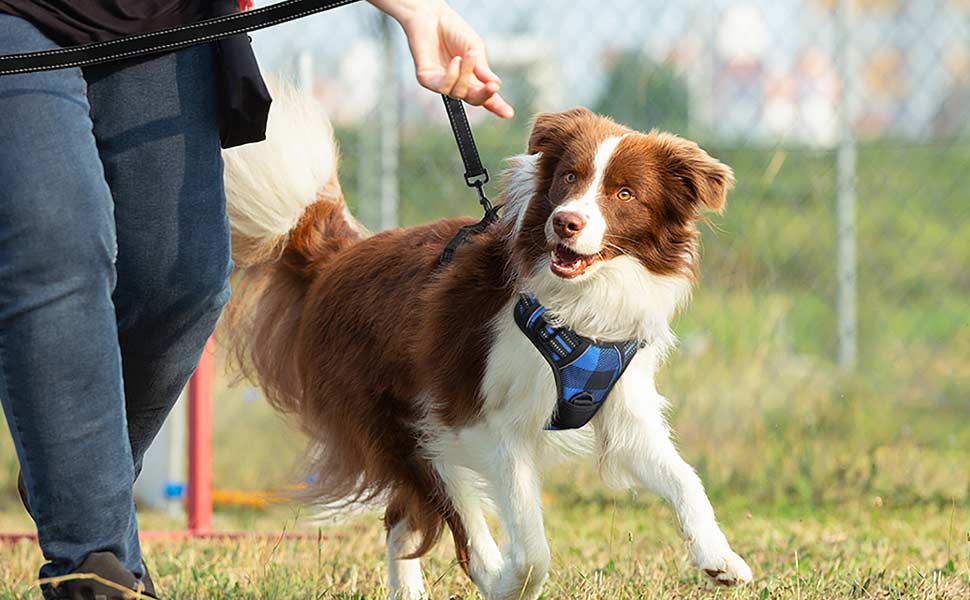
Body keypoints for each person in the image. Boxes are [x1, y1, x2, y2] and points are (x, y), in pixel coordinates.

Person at [0, 0, 512, 597]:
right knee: (58, 248)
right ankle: (93, 560)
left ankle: (74, 475)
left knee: (184, 282)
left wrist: (417, 10)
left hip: (162, 19)